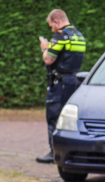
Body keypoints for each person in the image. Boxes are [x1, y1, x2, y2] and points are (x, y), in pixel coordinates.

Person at [36, 9, 86, 164]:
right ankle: (73, 150)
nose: (52, 29)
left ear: (57, 22)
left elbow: (49, 59)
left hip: (60, 84)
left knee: (54, 116)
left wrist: (45, 47)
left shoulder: (60, 35)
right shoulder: (79, 36)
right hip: (75, 82)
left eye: (51, 26)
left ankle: (54, 152)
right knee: (70, 117)